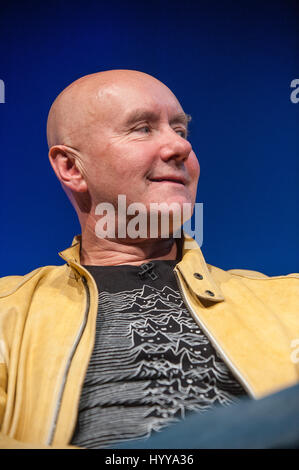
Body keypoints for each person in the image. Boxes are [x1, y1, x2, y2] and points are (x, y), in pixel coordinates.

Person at [0, 70, 298, 449]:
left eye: (181, 130)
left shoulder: (290, 301)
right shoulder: (7, 313)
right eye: (142, 128)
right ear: (71, 168)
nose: (179, 148)